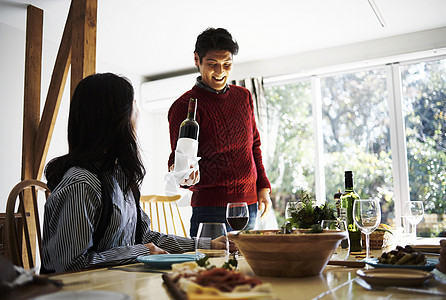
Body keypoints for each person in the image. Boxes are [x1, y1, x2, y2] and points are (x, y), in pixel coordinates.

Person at [41, 73, 227, 274]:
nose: (138, 112)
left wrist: (207, 244)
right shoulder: (81, 184)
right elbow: (69, 264)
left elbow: (145, 237)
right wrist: (140, 251)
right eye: (134, 104)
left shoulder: (120, 175)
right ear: (116, 118)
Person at [168, 28, 272, 237]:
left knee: (244, 267)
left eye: (227, 64)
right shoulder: (183, 106)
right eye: (212, 64)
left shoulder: (243, 97)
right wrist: (182, 173)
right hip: (209, 209)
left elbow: (254, 145)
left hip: (248, 206)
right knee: (209, 267)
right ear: (197, 60)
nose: (220, 71)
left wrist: (263, 187)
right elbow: (179, 159)